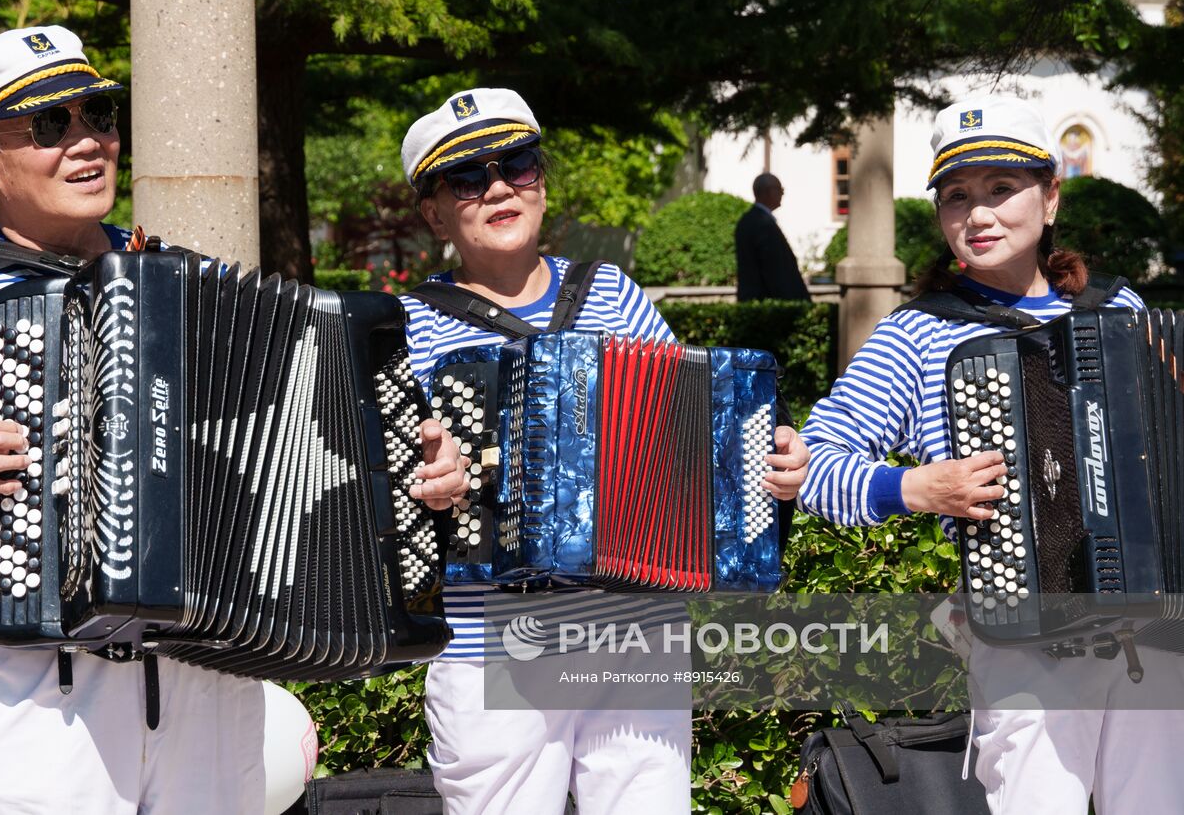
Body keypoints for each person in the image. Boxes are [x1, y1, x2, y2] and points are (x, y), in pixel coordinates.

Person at [0, 25, 468, 814]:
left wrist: (419, 467)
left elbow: (325, 431)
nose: (87, 142)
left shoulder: (181, 279)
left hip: (213, 656)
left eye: (100, 116)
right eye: (51, 126)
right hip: (49, 677)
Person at [397, 88, 811, 815]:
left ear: (541, 180)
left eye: (517, 165)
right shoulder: (406, 326)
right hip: (491, 645)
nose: (499, 186)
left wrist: (764, 464)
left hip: (634, 631)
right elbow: (384, 490)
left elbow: (698, 431)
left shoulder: (611, 292)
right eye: (467, 177)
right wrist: (426, 482)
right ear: (433, 212)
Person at [797, 94, 1184, 814]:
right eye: (956, 197)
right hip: (1027, 643)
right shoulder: (918, 335)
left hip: (1159, 636)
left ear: (1050, 196)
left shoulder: (1121, 309)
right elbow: (815, 461)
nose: (977, 215)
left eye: (1001, 190)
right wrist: (914, 488)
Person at [734, 172, 811, 301]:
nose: (782, 194)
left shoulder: (751, 220)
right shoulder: (761, 223)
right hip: (766, 301)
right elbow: (775, 269)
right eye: (779, 189)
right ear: (766, 192)